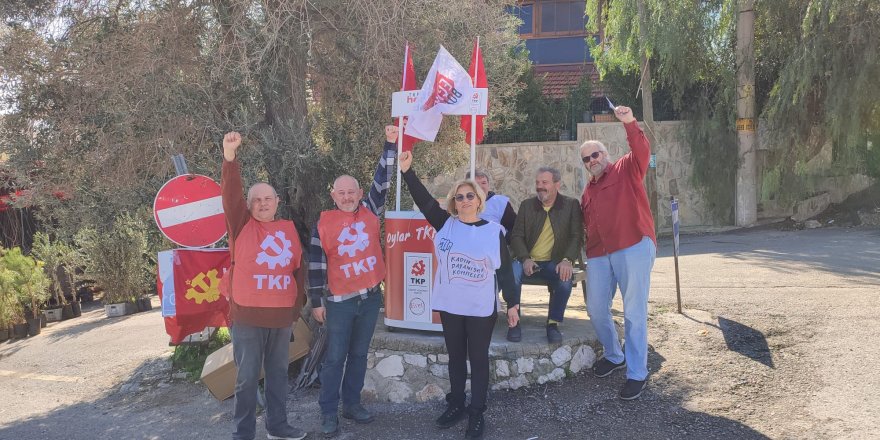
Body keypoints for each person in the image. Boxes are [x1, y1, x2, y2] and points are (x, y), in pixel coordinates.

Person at [400, 151, 515, 440]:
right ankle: (457, 404)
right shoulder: (445, 224)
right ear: (454, 201)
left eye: (470, 196)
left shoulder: (493, 231)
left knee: (477, 359)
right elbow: (425, 201)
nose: (465, 201)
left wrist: (513, 304)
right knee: (454, 358)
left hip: (480, 308)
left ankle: (477, 413)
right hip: (451, 305)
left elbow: (504, 273)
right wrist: (407, 171)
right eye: (459, 197)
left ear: (479, 199)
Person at [308, 126, 398, 437]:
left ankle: (352, 404)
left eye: (352, 192)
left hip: (370, 297)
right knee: (335, 358)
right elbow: (316, 266)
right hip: (339, 302)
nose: (347, 197)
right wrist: (316, 302)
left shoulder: (371, 211)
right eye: (341, 192)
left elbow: (383, 181)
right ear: (333, 195)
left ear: (360, 194)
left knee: (359, 354)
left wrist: (389, 143)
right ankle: (328, 412)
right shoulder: (323, 224)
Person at [220, 131, 307, 440]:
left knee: (279, 376)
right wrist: (230, 158)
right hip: (248, 317)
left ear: (277, 202)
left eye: (267, 199)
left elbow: (299, 270)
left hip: (281, 318)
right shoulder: (241, 224)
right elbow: (230, 194)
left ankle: (278, 426)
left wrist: (294, 311)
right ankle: (242, 433)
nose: (262, 204)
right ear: (248, 205)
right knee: (245, 379)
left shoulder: (288, 228)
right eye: (256, 200)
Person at [580, 105, 657, 400]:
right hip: (600, 253)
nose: (591, 161)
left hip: (633, 244)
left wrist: (629, 123)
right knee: (596, 307)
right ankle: (614, 355)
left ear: (605, 155)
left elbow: (641, 151)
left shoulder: (625, 168)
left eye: (595, 155)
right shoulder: (588, 191)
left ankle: (637, 373)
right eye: (586, 159)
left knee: (634, 312)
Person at [506, 167, 584, 343]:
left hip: (553, 262)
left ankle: (553, 323)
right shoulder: (527, 205)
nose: (540, 186)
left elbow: (577, 235)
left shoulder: (570, 205)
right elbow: (517, 235)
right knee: (512, 274)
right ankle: (514, 322)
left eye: (545, 182)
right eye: (537, 183)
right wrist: (525, 258)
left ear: (557, 184)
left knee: (565, 279)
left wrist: (567, 260)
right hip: (527, 260)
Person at [465, 169, 516, 234]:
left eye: (484, 183)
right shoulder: (461, 204)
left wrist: (502, 240)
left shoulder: (500, 203)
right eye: (476, 184)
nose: (481, 187)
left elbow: (514, 229)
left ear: (488, 185)